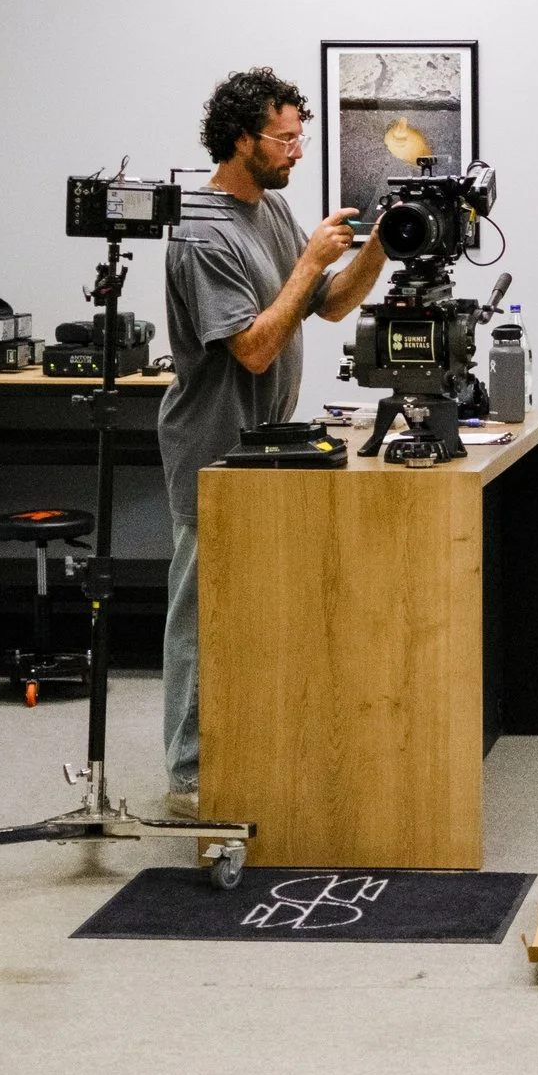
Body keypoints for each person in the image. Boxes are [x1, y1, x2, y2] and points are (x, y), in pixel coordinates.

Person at [156, 68, 391, 814]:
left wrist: (377, 248)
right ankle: (188, 778)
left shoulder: (272, 209)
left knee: (254, 608)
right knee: (200, 616)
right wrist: (313, 261)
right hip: (212, 450)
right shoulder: (202, 230)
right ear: (240, 139)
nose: (296, 150)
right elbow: (254, 347)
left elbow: (326, 308)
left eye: (300, 135)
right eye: (284, 138)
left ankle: (249, 747)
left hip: (266, 446)